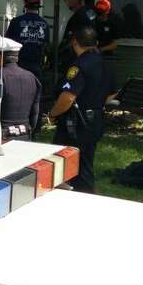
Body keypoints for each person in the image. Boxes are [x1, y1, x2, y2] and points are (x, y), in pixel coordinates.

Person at [47, 25, 107, 194]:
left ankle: (76, 196)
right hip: (96, 118)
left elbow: (67, 97)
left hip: (77, 122)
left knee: (64, 163)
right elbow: (113, 91)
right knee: (86, 162)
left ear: (74, 42)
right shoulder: (103, 63)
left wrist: (52, 114)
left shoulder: (79, 66)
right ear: (95, 43)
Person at [5, 0, 49, 80]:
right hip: (36, 69)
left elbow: (7, 45)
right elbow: (46, 46)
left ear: (25, 3)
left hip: (17, 67)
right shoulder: (45, 24)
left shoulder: (16, 22)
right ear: (39, 3)